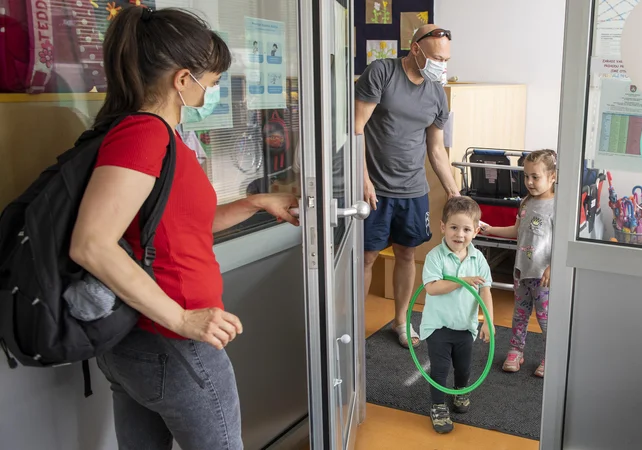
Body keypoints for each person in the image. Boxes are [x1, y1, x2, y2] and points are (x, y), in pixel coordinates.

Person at [68, 7, 299, 450]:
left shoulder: (157, 136)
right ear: (182, 79)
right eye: (211, 83)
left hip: (144, 339)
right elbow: (92, 244)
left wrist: (254, 202)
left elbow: (176, 227)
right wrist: (183, 318)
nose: (212, 92)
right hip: (171, 340)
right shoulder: (144, 135)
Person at [356, 24, 459, 349]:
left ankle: (401, 322)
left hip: (413, 190)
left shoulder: (436, 93)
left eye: (446, 59)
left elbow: (436, 149)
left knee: (407, 253)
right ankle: (355, 327)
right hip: (375, 189)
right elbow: (355, 128)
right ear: (415, 49)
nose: (441, 65)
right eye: (436, 57)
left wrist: (454, 193)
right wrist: (363, 178)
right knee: (367, 257)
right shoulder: (382, 73)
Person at [421, 197, 494, 434]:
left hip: (465, 326)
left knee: (463, 369)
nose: (459, 234)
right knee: (440, 369)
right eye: (453, 227)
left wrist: (488, 323)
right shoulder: (435, 256)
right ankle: (438, 406)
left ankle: (460, 391)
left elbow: (485, 291)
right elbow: (432, 287)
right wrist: (461, 282)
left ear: (476, 231)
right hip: (438, 326)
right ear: (443, 227)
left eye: (466, 229)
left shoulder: (478, 258)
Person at [481, 150, 557, 378]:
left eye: (536, 177)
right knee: (520, 314)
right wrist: (490, 229)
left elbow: (563, 241)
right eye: (526, 176)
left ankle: (551, 355)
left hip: (543, 275)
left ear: (552, 177)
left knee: (546, 319)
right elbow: (516, 230)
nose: (529, 182)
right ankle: (516, 349)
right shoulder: (525, 202)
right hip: (521, 271)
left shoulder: (558, 206)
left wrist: (552, 267)